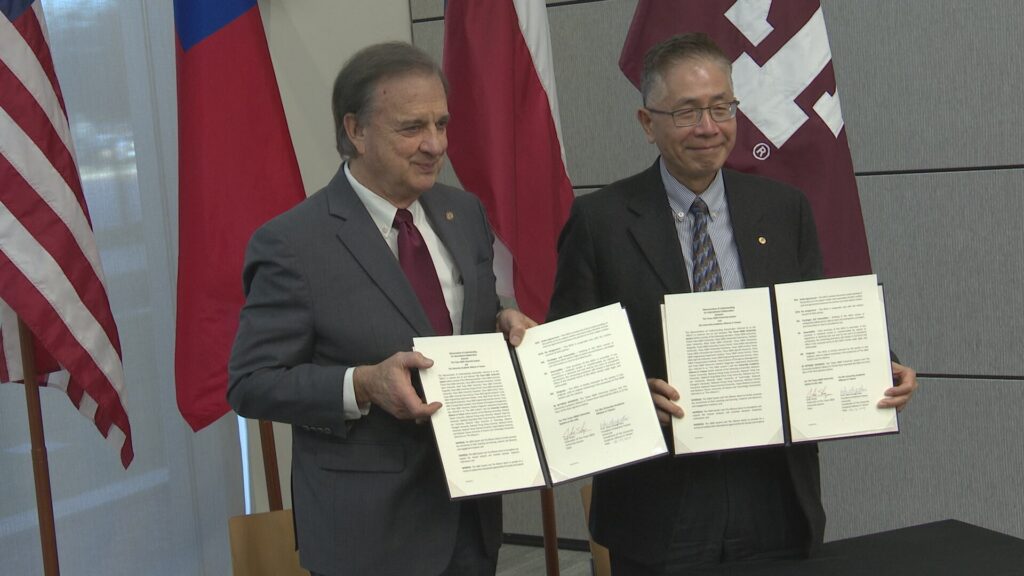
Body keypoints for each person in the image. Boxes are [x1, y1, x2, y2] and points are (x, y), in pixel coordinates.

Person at [547, 33, 918, 574]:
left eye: (722, 108)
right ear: (647, 123)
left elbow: (814, 319)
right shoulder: (600, 221)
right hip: (659, 501)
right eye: (687, 111)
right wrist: (626, 394)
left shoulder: (782, 207)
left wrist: (875, 366)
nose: (708, 127)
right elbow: (567, 359)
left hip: (774, 494)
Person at [227, 42, 535, 576]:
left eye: (442, 123)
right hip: (368, 537)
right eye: (411, 127)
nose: (435, 145)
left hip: (472, 521)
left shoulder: (463, 212)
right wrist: (362, 385)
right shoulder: (293, 243)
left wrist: (501, 319)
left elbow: (456, 318)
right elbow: (251, 382)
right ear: (355, 130)